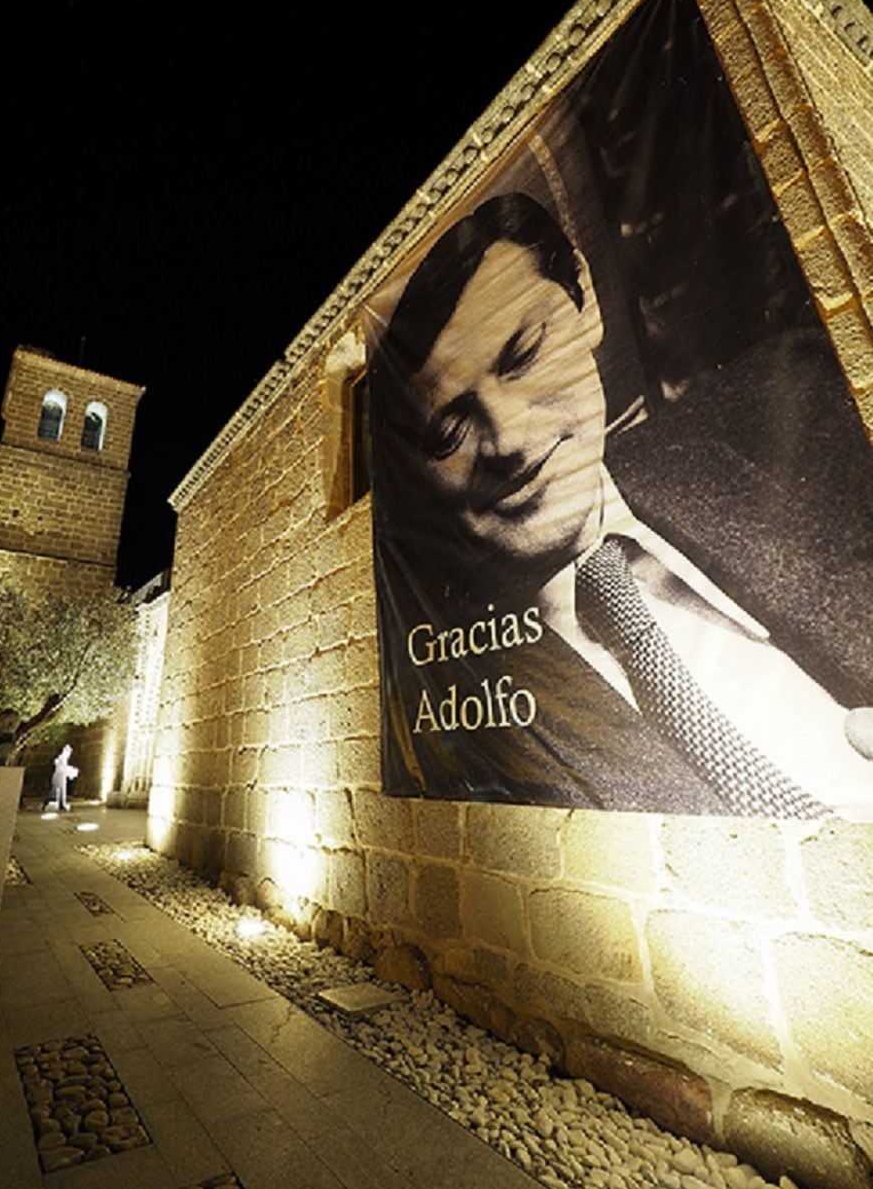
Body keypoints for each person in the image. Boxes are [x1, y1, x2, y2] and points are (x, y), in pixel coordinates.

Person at [368, 192, 873, 820]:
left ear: (585, 300)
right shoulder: (447, 710)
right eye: (448, 432)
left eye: (525, 353)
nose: (511, 439)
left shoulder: (803, 400)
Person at [42, 743, 79, 812]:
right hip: (58, 778)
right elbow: (60, 767)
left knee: (57, 792)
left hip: (61, 777)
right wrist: (70, 770)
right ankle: (53, 803)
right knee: (55, 792)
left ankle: (60, 804)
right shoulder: (61, 758)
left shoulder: (64, 758)